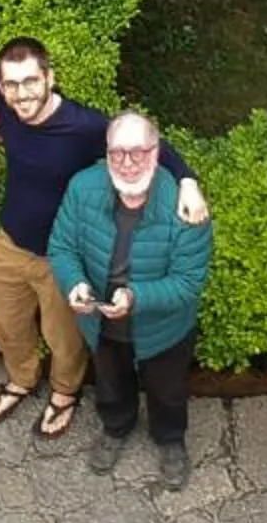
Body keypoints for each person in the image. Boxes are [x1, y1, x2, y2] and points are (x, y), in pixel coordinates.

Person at [0, 37, 208, 444]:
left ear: (50, 77)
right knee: (3, 323)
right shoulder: (7, 107)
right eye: (11, 84)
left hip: (60, 255)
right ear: (0, 86)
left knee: (65, 337)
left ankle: (65, 393)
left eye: (31, 81)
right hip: (10, 242)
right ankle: (21, 379)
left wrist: (188, 180)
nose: (21, 93)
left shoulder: (84, 126)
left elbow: (145, 146)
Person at [48, 111, 214, 491]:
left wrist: (136, 298)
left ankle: (170, 439)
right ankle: (115, 426)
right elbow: (62, 247)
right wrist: (73, 282)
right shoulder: (82, 187)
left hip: (163, 330)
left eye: (138, 153)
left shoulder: (186, 208)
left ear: (156, 153)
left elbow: (188, 284)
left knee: (168, 390)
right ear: (105, 154)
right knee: (110, 382)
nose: (127, 163)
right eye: (117, 153)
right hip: (100, 321)